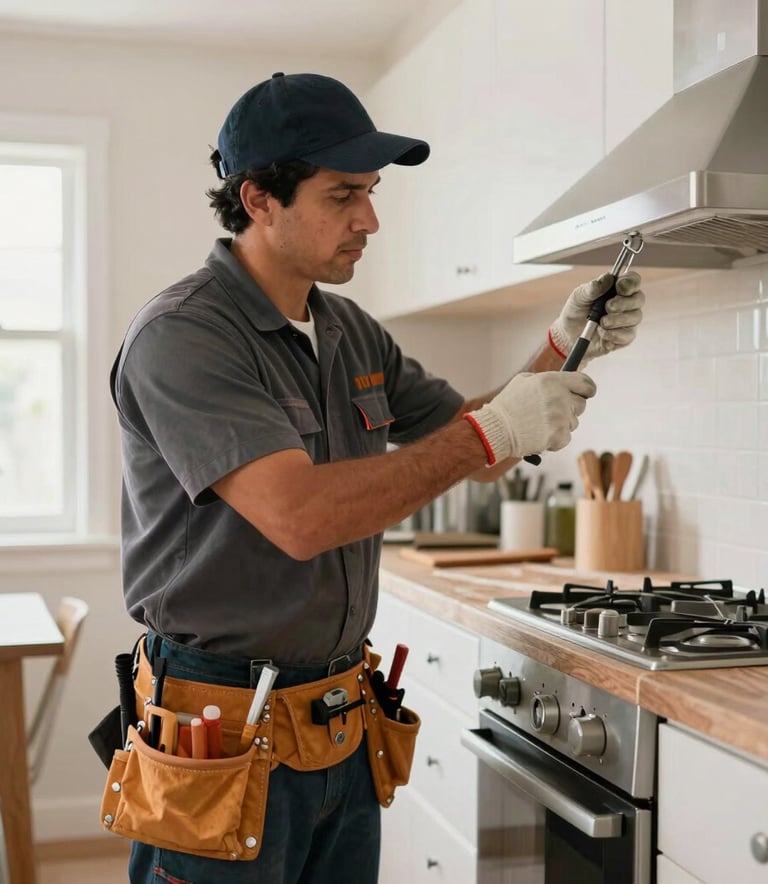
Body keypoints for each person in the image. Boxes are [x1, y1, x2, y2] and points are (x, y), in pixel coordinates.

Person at [110, 71, 644, 884]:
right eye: (341, 196)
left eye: (371, 191)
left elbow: (466, 426)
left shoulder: (345, 326)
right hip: (219, 733)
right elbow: (299, 517)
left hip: (341, 722)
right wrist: (490, 432)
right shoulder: (185, 336)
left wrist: (563, 344)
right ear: (258, 199)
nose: (371, 219)